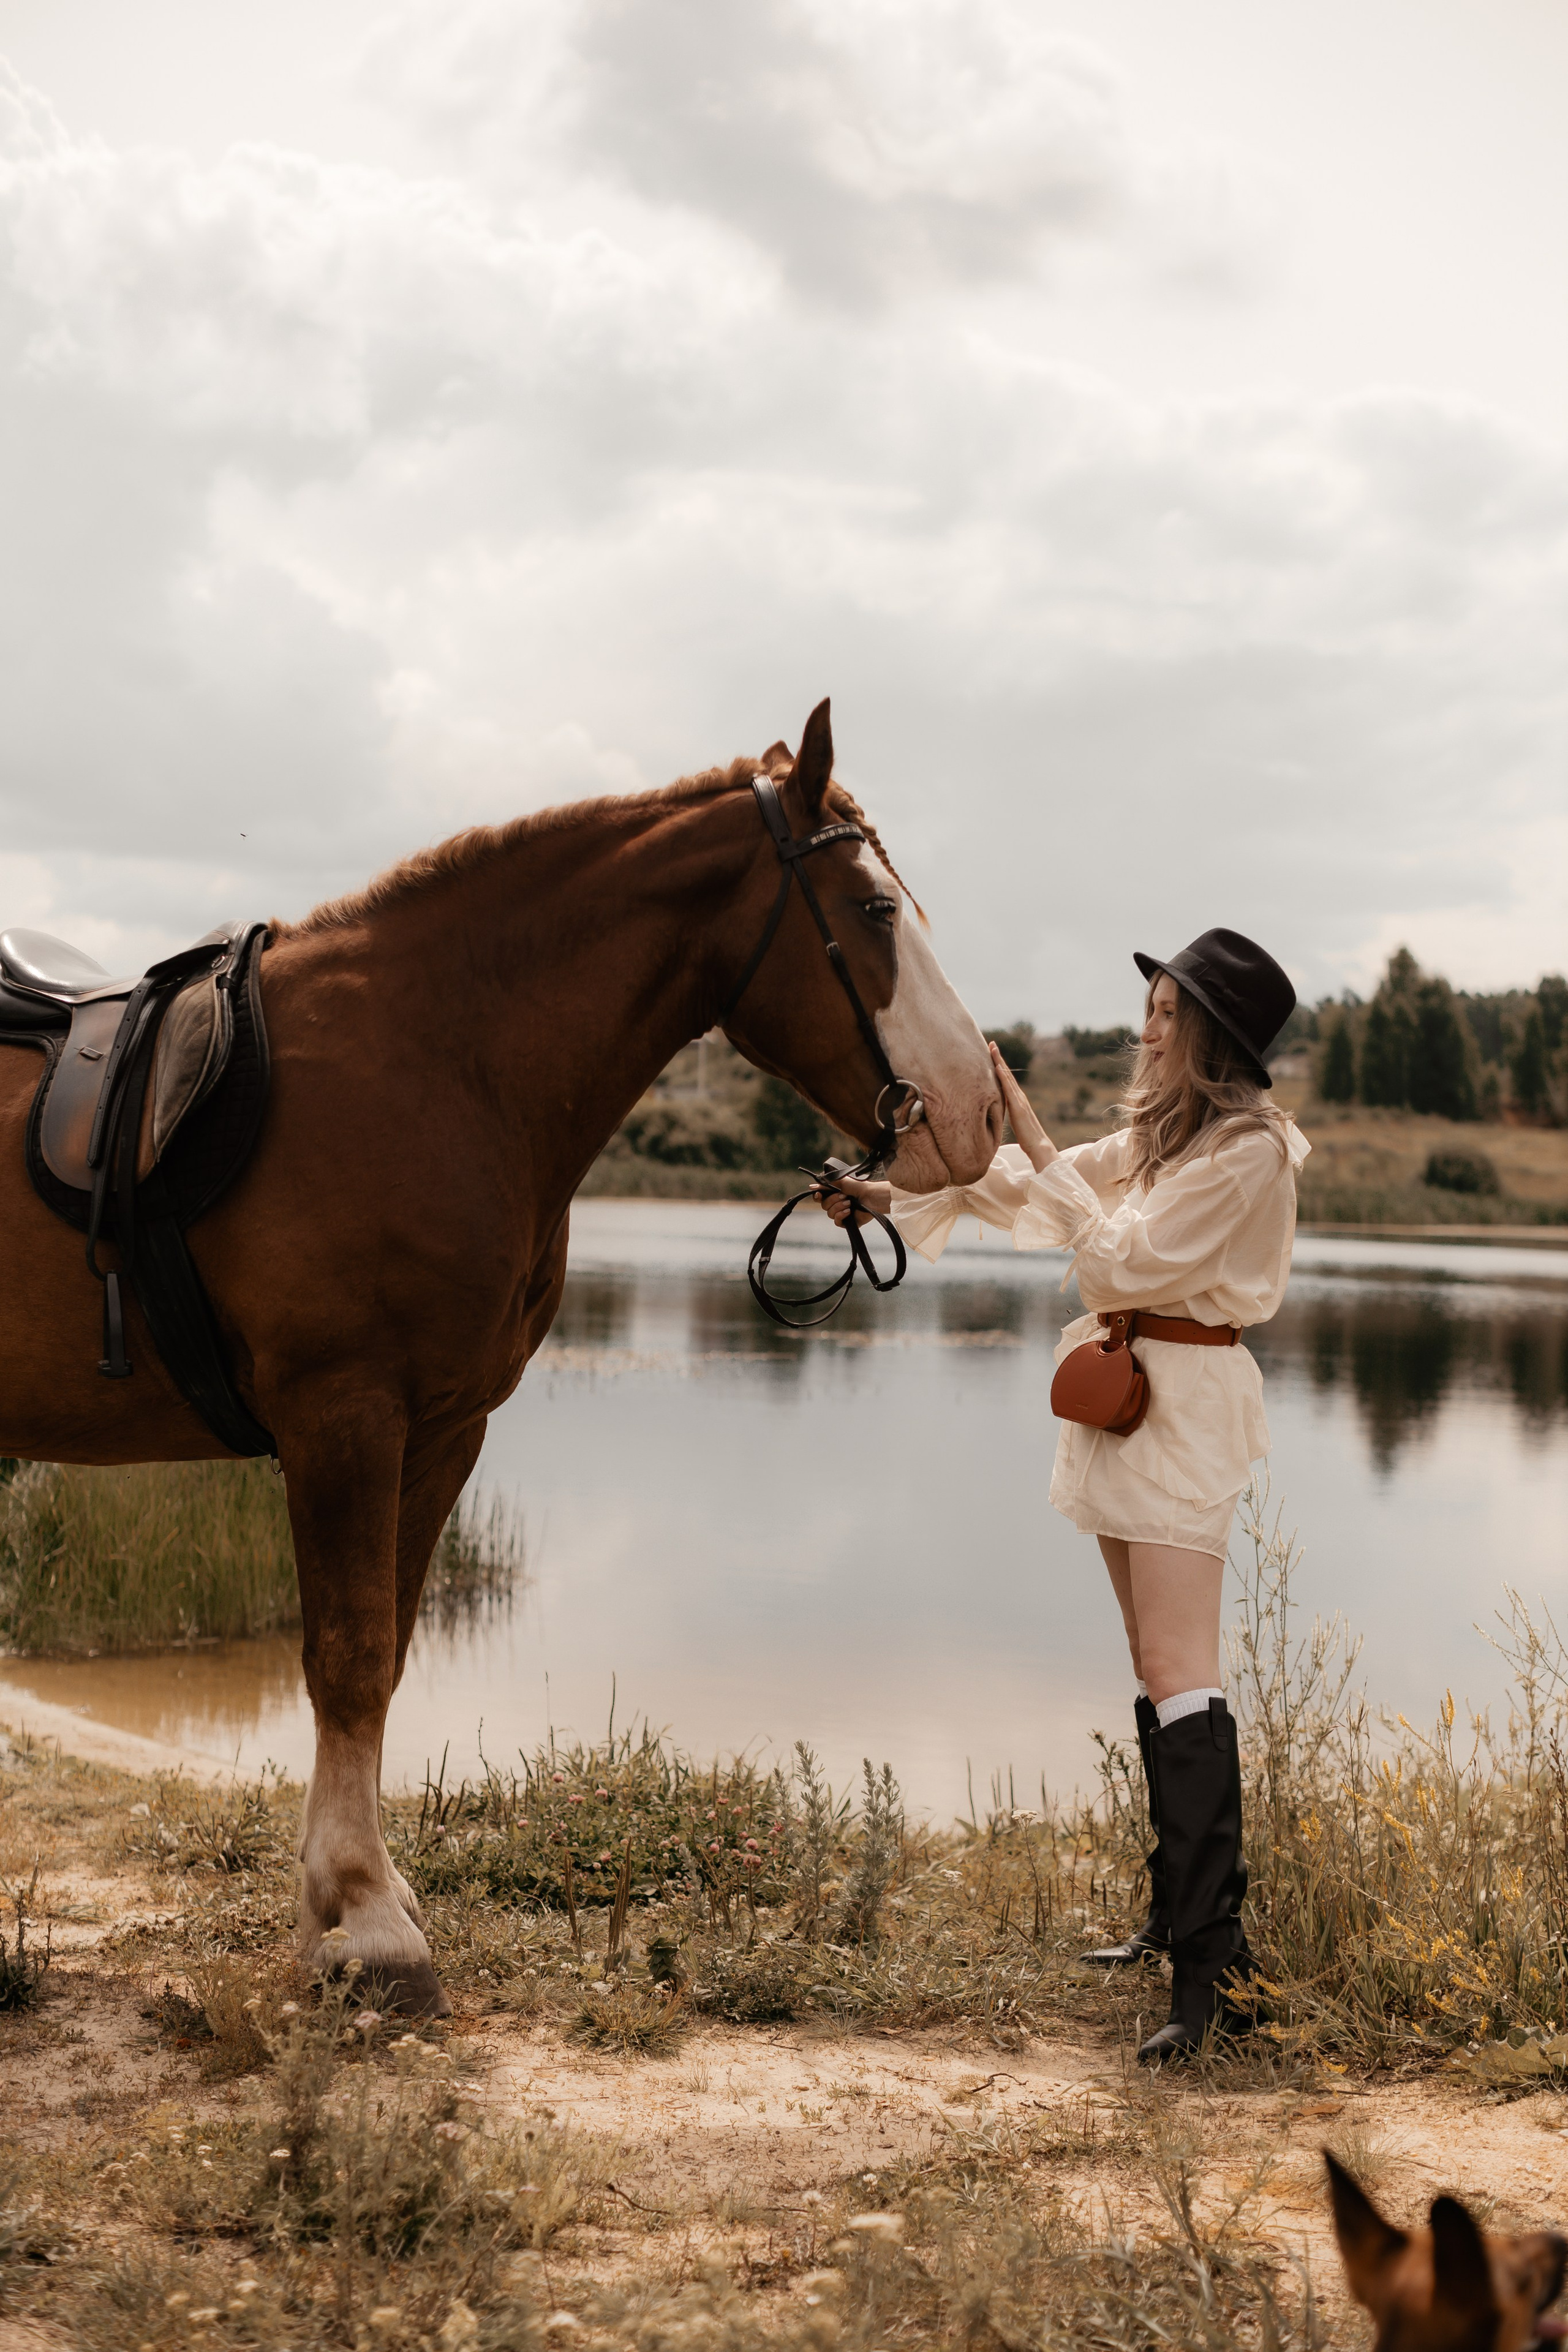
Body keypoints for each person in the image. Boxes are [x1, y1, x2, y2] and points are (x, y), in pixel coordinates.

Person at [821, 929, 1308, 2062]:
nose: (1149, 1021)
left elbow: (1121, 1260)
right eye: (1152, 1002)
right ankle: (1171, 1924)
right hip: (1125, 1394)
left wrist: (1035, 1129)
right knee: (1152, 1660)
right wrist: (883, 1197)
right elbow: (1026, 1199)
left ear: (1210, 1033)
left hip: (1185, 1409)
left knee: (1181, 1673)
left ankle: (1214, 1978)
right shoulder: (1160, 1137)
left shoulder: (1254, 1153)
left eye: (1168, 1007)